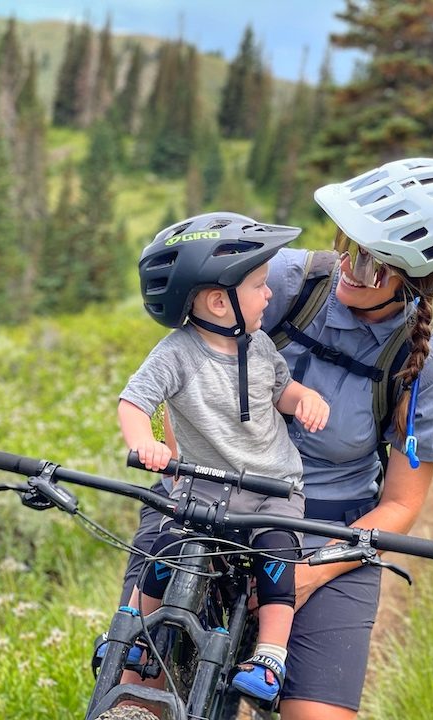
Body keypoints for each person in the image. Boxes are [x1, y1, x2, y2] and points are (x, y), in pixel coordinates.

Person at [118, 157, 433, 719]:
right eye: (345, 242)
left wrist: (309, 573)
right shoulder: (280, 281)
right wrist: (177, 464)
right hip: (207, 494)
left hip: (325, 527)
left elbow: (402, 504)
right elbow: (183, 367)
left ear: (416, 281)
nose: (348, 266)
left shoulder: (423, 364)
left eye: (371, 263)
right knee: (136, 683)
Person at [116, 211, 330, 707]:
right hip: (202, 483)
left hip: (273, 485)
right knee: (164, 546)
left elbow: (283, 391)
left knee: (278, 554)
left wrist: (305, 400)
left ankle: (269, 655)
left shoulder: (259, 347)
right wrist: (146, 444)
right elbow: (134, 400)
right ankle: (131, 629)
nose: (269, 294)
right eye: (259, 285)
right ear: (220, 300)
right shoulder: (176, 353)